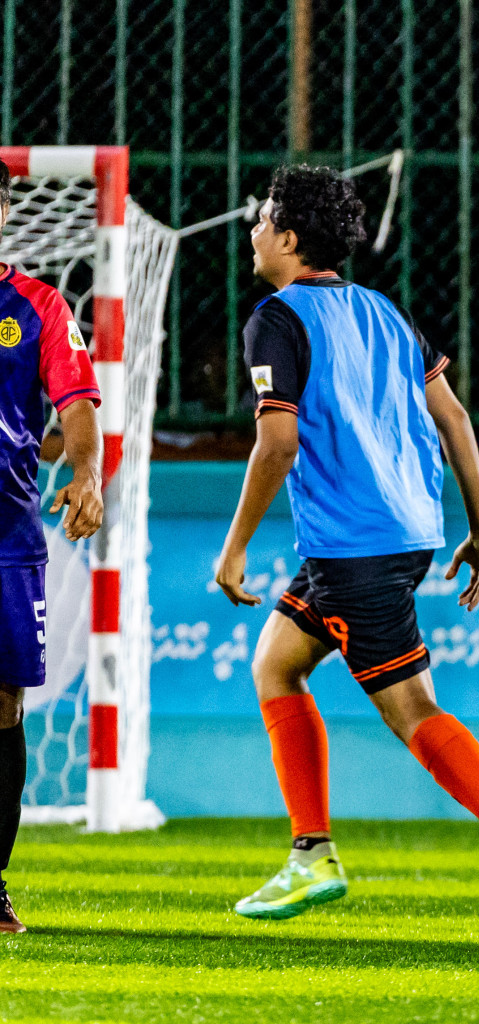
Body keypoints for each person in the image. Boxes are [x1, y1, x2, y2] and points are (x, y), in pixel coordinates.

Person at [212, 165, 479, 929]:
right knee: (277, 664)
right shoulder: (381, 310)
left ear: (287, 237)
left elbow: (276, 444)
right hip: (406, 531)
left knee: (411, 709)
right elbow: (456, 420)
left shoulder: (276, 318)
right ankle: (311, 856)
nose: (251, 230)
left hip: (355, 548)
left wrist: (234, 546)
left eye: (262, 219)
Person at [0, 160, 104, 934]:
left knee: (2, 704)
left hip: (4, 536)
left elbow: (75, 404)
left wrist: (88, 472)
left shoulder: (37, 306)